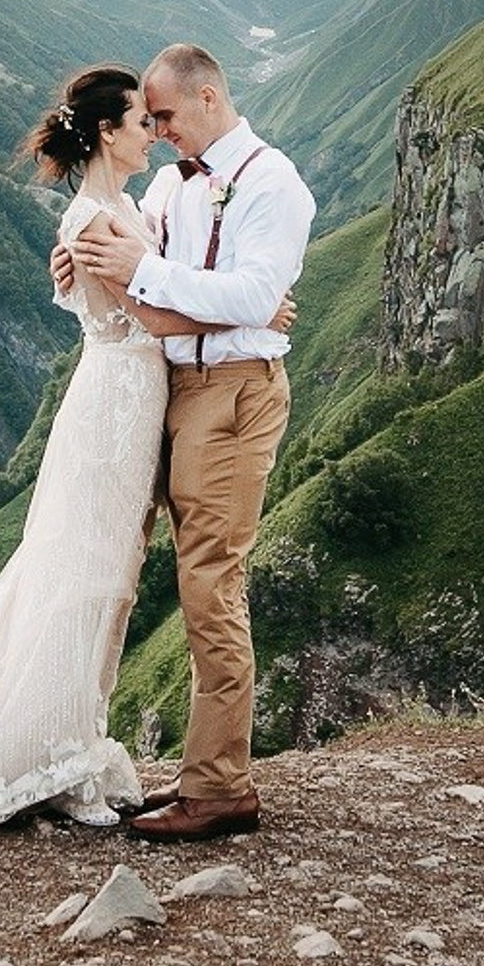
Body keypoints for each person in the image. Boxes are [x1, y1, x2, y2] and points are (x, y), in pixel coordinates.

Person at [0, 65, 280, 830]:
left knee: (102, 572)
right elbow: (153, 316)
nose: (151, 134)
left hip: (131, 399)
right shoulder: (96, 222)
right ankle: (43, 749)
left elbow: (150, 281)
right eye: (140, 123)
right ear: (106, 132)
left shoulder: (119, 207)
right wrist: (258, 315)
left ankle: (65, 738)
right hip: (116, 409)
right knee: (87, 573)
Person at [69, 42, 314, 843]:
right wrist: (91, 259)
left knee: (212, 580)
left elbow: (251, 292)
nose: (159, 129)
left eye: (167, 115)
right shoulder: (174, 188)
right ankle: (199, 770)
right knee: (146, 565)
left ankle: (220, 788)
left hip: (234, 392)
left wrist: (148, 272)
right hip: (172, 387)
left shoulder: (274, 183)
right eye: (149, 118)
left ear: (209, 99)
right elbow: (153, 271)